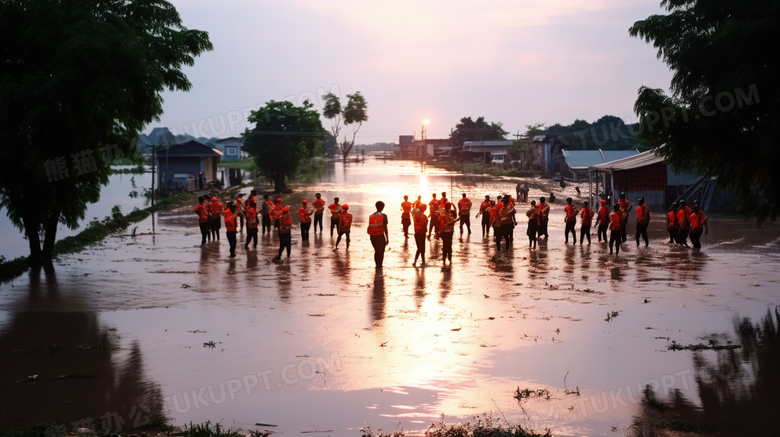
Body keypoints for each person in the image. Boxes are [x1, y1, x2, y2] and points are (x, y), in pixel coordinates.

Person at [367, 201, 389, 269]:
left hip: (372, 236)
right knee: (381, 251)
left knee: (376, 251)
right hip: (380, 236)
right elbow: (385, 228)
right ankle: (380, 265)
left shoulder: (371, 216)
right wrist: (387, 238)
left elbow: (369, 228)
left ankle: (377, 265)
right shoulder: (384, 216)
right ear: (383, 207)